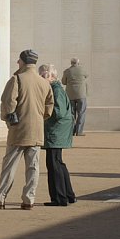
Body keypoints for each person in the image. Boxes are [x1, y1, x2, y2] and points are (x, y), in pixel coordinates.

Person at [0, 49, 53, 210]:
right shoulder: (44, 82)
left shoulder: (17, 79)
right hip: (36, 130)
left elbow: (8, 102)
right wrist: (40, 118)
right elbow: (49, 106)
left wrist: (7, 118)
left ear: (22, 61)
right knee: (33, 167)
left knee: (9, 166)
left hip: (19, 129)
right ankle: (29, 199)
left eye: (19, 60)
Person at [40, 63, 75, 206]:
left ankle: (59, 198)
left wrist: (43, 112)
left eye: (42, 75)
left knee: (54, 164)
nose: (40, 78)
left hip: (55, 132)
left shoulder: (55, 90)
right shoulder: (57, 89)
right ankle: (68, 195)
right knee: (58, 163)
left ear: (50, 75)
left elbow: (58, 112)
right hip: (58, 132)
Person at [61, 58, 88, 136]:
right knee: (81, 113)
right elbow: (86, 76)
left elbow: (63, 82)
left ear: (71, 63)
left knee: (71, 113)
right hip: (81, 94)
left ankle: (71, 131)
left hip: (70, 94)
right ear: (78, 63)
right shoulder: (82, 70)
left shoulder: (67, 71)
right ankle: (79, 131)